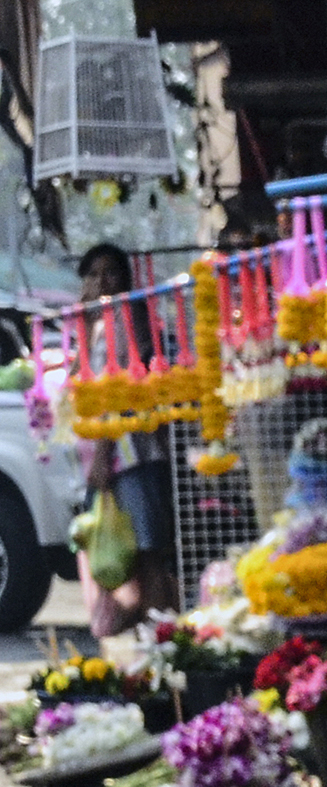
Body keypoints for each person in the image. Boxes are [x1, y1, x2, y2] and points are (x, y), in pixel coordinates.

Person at [73, 243, 177, 631]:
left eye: (110, 272)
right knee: (131, 552)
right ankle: (154, 638)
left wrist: (102, 455)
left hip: (131, 453)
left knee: (147, 550)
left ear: (125, 278)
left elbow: (117, 393)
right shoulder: (91, 323)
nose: (102, 281)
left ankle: (162, 635)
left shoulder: (123, 320)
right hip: (111, 455)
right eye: (93, 274)